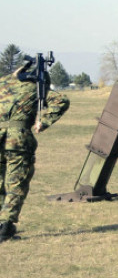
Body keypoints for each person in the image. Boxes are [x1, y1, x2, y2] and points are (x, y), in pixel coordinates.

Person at [0, 56, 70, 242]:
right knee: (16, 183)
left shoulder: (4, 83)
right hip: (18, 140)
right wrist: (43, 122)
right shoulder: (35, 87)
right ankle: (5, 227)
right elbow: (62, 100)